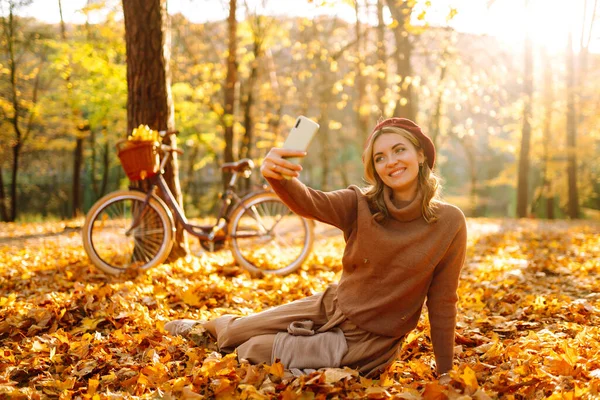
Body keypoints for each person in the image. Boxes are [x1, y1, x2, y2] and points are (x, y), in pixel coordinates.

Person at [165, 117, 467, 380]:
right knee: (235, 332)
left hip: (368, 341)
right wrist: (278, 175)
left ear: (421, 154)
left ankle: (241, 344)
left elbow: (442, 302)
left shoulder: (449, 223)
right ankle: (202, 328)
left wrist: (445, 373)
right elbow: (310, 201)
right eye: (380, 157)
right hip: (331, 305)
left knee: (252, 350)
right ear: (374, 168)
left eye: (399, 150)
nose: (391, 162)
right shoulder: (359, 204)